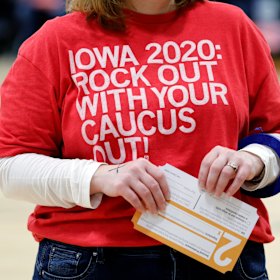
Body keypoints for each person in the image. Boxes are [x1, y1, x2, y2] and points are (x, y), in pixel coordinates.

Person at [0, 0, 280, 279]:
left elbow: (274, 132)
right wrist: (99, 176)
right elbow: (9, 167)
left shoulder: (232, 26)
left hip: (223, 251)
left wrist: (255, 159)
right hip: (92, 258)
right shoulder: (55, 41)